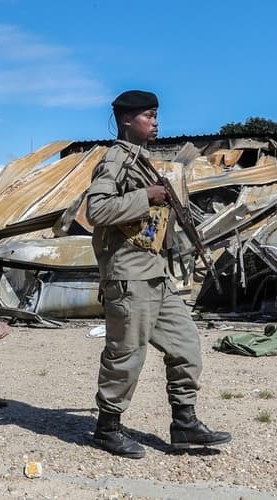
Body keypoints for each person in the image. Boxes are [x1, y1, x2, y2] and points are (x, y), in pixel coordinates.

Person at [85, 89, 231, 459]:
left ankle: (184, 424)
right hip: (129, 276)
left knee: (186, 346)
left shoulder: (142, 160)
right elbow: (97, 211)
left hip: (156, 275)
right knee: (126, 355)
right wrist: (145, 196)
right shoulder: (115, 160)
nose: (155, 122)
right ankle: (107, 428)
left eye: (155, 115)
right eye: (149, 115)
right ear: (126, 120)